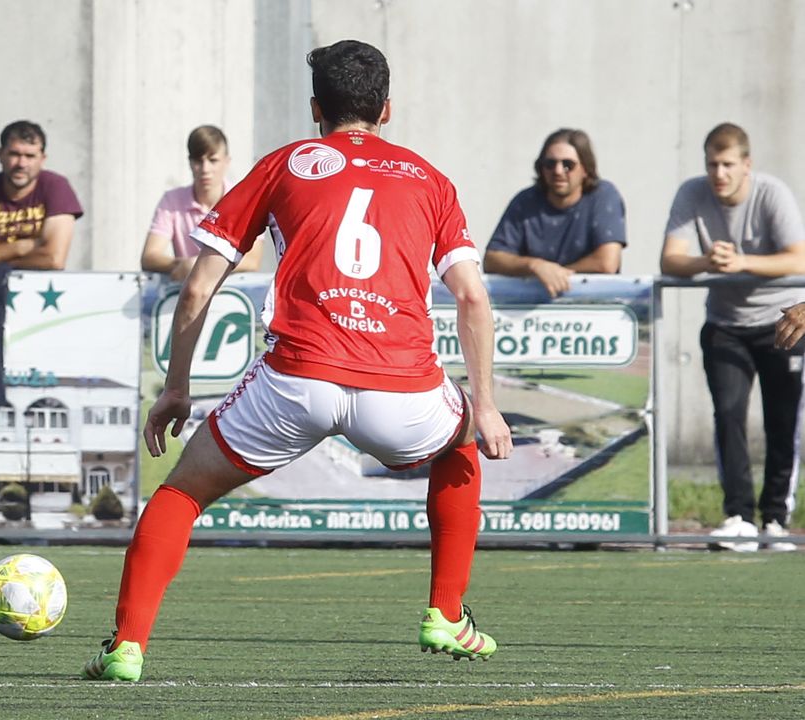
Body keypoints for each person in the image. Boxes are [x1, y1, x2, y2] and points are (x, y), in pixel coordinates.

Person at [82, 40, 512, 683]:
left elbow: (198, 286)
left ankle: (127, 647)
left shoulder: (284, 164)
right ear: (387, 110)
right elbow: (473, 297)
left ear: (316, 108)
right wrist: (485, 405)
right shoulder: (430, 179)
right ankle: (446, 614)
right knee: (458, 449)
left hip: (296, 381)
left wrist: (176, 389)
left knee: (181, 492)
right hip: (402, 387)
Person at [661, 122, 805, 553]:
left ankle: (775, 520)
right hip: (725, 324)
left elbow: (798, 257)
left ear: (747, 164)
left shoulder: (772, 193)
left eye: (727, 164)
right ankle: (739, 516)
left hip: (783, 320)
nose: (718, 173)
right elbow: (670, 259)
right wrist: (706, 259)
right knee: (728, 414)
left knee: (782, 420)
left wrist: (741, 262)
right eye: (711, 164)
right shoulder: (692, 193)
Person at [483, 128, 626, 297]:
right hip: (534, 314)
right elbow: (492, 259)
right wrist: (535, 266)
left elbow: (606, 263)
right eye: (550, 164)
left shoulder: (603, 196)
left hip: (593, 307)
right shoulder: (525, 201)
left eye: (568, 165)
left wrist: (554, 273)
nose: (558, 171)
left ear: (585, 169)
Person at [0, 120, 83, 270]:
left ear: (42, 159)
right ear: (0, 154)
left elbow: (53, 259)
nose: (22, 164)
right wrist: (20, 248)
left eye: (30, 156)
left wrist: (1, 265)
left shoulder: (56, 187)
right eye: (14, 154)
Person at [140, 125, 262, 281]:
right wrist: (183, 265)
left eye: (213, 160)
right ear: (190, 163)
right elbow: (149, 257)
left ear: (227, 161)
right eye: (198, 160)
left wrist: (195, 267)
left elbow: (253, 261)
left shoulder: (245, 200)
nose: (205, 169)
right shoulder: (172, 200)